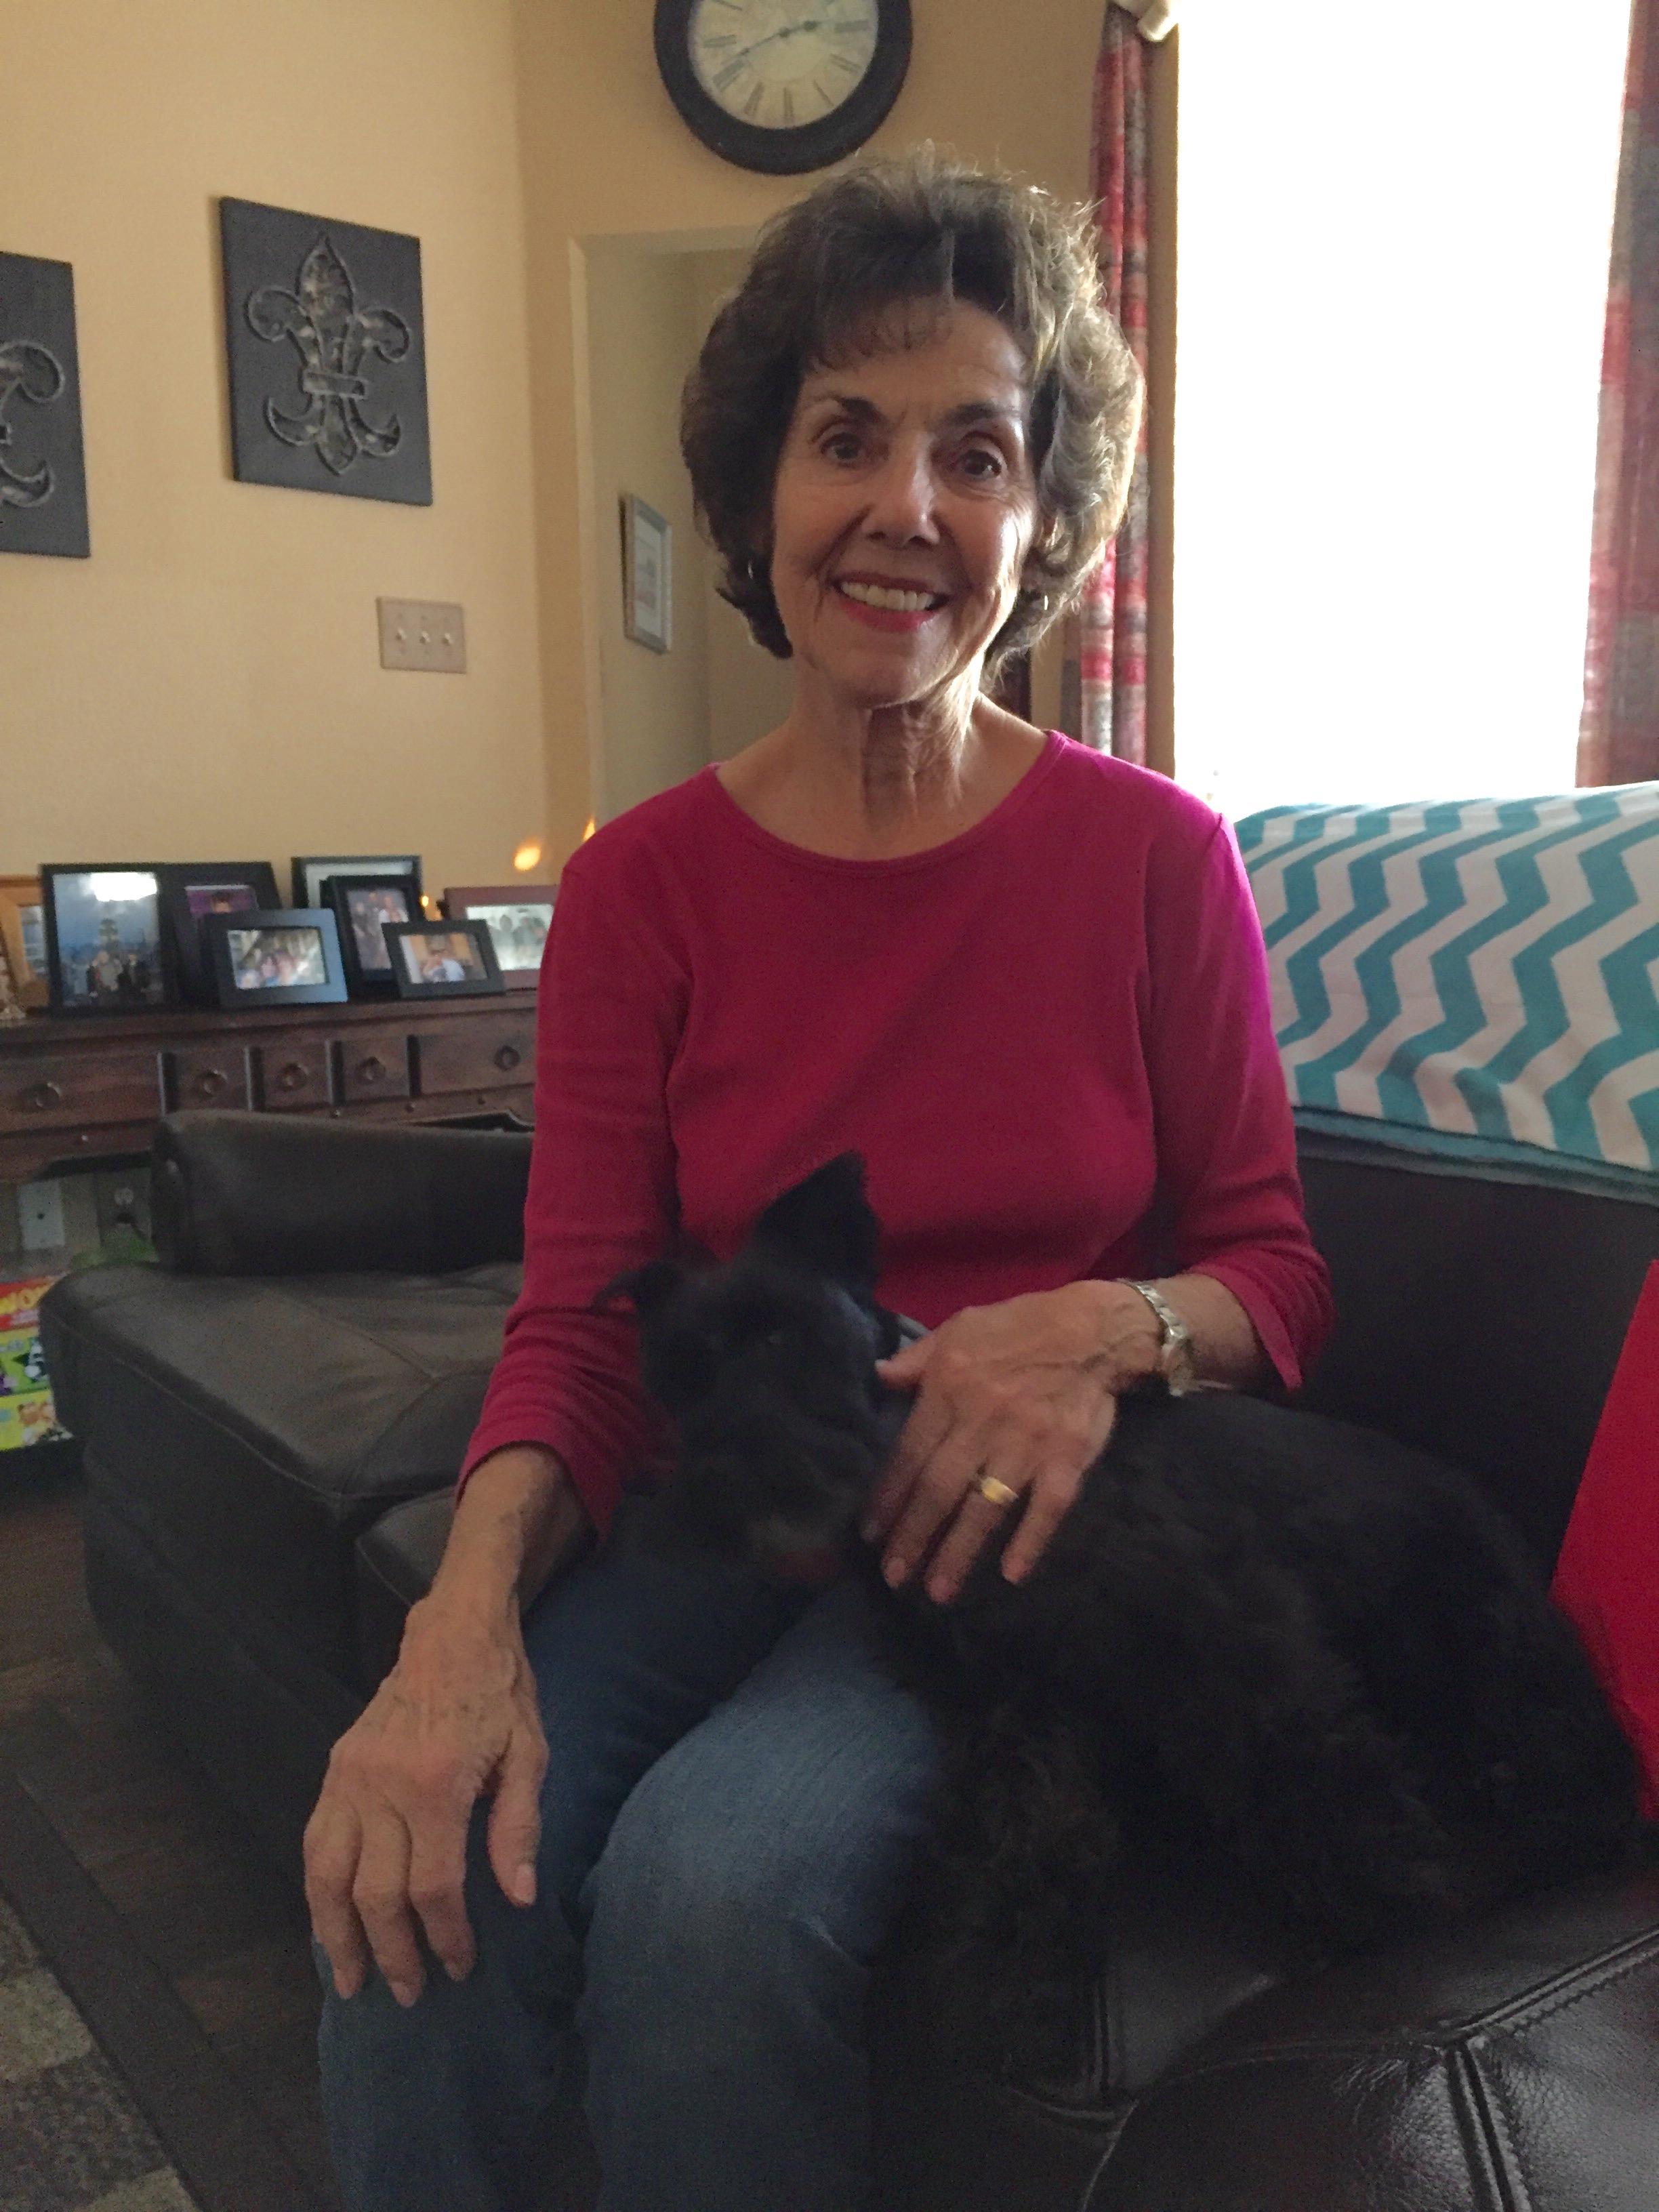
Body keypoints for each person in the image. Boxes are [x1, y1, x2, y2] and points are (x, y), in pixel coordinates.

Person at [304, 150, 1334, 2212]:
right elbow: (582, 1317)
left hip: (997, 1551)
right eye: (846, 438)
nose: (908, 510)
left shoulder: (1155, 859)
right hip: (725, 1510)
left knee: (717, 1893)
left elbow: (1275, 1275)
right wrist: (459, 1625)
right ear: (762, 499)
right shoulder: (639, 886)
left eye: (978, 452)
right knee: (424, 1882)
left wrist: (1107, 1329)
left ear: (1040, 522)